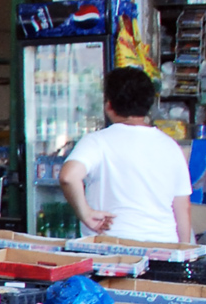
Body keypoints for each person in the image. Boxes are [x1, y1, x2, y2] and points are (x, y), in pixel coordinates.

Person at [59, 67, 193, 243]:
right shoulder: (171, 147)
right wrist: (184, 258)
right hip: (163, 249)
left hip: (111, 251)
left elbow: (68, 177)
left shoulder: (97, 141)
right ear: (148, 105)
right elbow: (182, 210)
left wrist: (86, 213)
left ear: (108, 105)